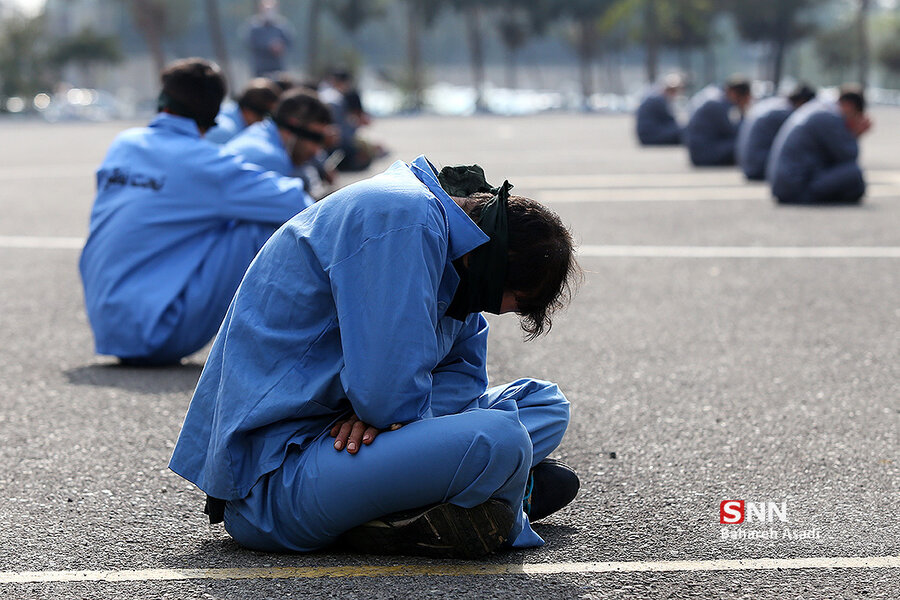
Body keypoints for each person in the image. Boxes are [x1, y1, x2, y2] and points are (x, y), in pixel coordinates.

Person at [169, 158, 582, 558]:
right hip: (278, 481)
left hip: (350, 441)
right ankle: (492, 497)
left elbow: (462, 380)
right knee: (503, 438)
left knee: (544, 402)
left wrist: (388, 417)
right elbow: (386, 395)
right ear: (497, 265)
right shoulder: (402, 219)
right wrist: (387, 413)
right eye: (514, 300)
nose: (503, 310)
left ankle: (430, 498)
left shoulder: (456, 253)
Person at [79, 58, 313, 366]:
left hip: (107, 325)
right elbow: (296, 202)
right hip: (161, 331)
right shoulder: (206, 164)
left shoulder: (124, 144)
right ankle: (285, 353)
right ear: (214, 111)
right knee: (262, 225)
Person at [767, 86, 872, 205]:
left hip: (786, 185)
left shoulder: (819, 108)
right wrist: (856, 134)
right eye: (856, 116)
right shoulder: (829, 117)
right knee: (854, 173)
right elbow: (848, 155)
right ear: (849, 106)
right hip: (797, 188)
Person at [223, 89, 334, 177]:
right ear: (294, 125)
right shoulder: (272, 158)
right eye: (315, 138)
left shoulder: (257, 134)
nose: (317, 151)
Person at [736, 84, 816, 180]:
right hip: (758, 167)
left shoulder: (777, 105)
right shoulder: (784, 114)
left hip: (750, 164)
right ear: (803, 102)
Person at [684, 77, 753, 166]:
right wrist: (743, 110)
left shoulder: (718, 101)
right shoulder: (719, 105)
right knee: (743, 144)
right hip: (704, 154)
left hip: (703, 152)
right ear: (735, 93)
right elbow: (736, 132)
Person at [205, 78, 282, 145]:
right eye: (266, 115)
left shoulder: (228, 116)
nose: (266, 122)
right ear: (248, 111)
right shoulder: (225, 132)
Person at [243, 0, 293, 78]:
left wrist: (281, 47)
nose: (269, 12)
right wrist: (268, 46)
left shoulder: (282, 26)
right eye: (267, 9)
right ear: (261, 9)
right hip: (260, 69)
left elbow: (290, 42)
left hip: (278, 69)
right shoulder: (254, 27)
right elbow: (249, 43)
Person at [635, 73, 684, 146]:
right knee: (684, 131)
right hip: (651, 137)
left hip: (647, 136)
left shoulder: (655, 97)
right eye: (673, 90)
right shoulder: (659, 100)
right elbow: (671, 122)